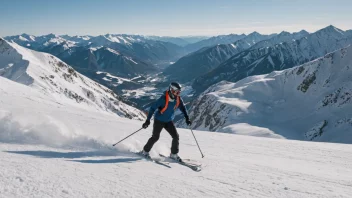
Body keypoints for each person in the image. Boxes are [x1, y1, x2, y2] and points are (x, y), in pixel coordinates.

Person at [140, 82, 192, 162]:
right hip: (159, 120)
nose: (178, 93)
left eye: (179, 92)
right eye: (177, 91)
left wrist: (187, 118)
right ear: (171, 90)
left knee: (175, 136)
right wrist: (147, 120)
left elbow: (183, 108)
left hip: (168, 121)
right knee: (155, 137)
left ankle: (174, 154)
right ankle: (145, 151)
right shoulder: (163, 99)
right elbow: (152, 108)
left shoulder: (178, 98)